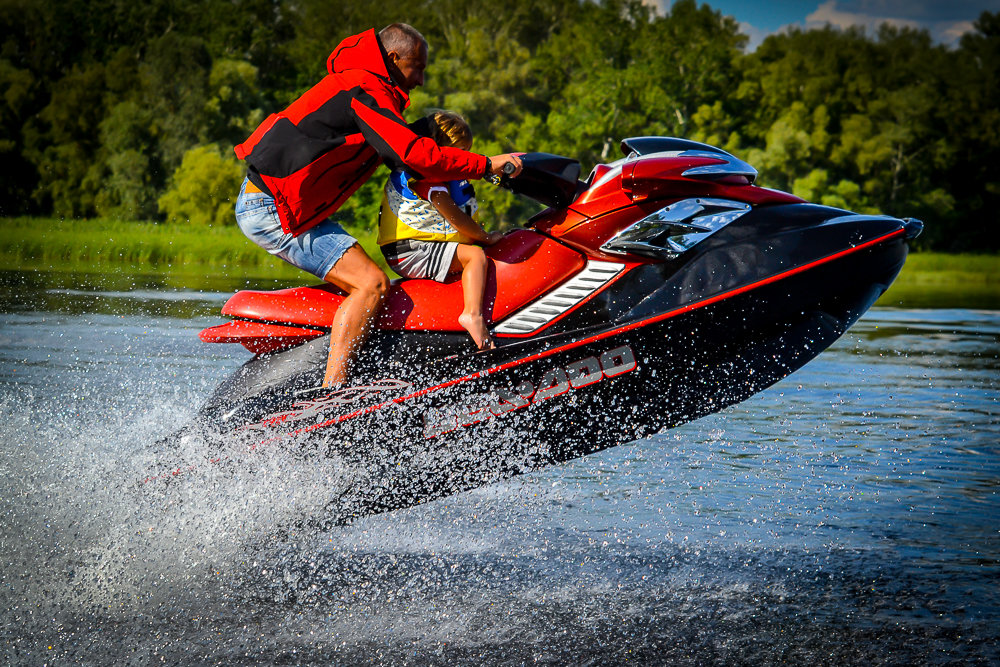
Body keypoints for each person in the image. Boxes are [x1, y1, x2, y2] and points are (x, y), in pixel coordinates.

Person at [232, 23, 522, 387]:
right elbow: (412, 153)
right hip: (274, 208)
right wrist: (485, 165)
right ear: (394, 58)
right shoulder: (365, 88)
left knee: (363, 287)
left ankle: (348, 369)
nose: (420, 79)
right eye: (417, 67)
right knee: (370, 284)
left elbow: (407, 154)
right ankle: (332, 391)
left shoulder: (364, 86)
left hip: (283, 205)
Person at [378, 111, 503, 350]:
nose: (462, 162)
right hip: (411, 251)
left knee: (472, 251)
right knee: (475, 256)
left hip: (411, 247)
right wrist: (484, 237)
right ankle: (473, 316)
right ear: (439, 152)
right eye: (459, 155)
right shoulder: (428, 179)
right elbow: (455, 218)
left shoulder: (435, 178)